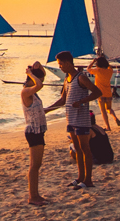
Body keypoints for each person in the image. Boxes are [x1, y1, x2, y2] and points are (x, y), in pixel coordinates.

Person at [51, 52, 103, 189]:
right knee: (77, 149)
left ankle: (88, 180)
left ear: (68, 63)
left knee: (85, 149)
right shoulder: (67, 79)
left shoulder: (81, 78)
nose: (60, 67)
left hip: (81, 119)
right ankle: (80, 177)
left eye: (61, 64)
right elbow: (63, 100)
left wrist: (82, 101)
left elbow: (97, 92)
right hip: (71, 119)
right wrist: (47, 110)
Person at [20, 63, 63, 205]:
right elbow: (39, 85)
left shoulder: (33, 92)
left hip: (38, 131)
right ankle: (33, 196)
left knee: (37, 165)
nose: (42, 81)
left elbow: (39, 83)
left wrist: (36, 67)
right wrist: (30, 74)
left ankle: (35, 195)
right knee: (34, 165)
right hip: (33, 131)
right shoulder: (26, 91)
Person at [90, 57, 120, 126]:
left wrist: (93, 62)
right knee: (109, 109)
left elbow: (88, 69)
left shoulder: (98, 70)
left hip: (100, 93)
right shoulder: (110, 71)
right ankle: (115, 117)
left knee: (103, 110)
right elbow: (109, 66)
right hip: (108, 93)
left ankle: (108, 126)